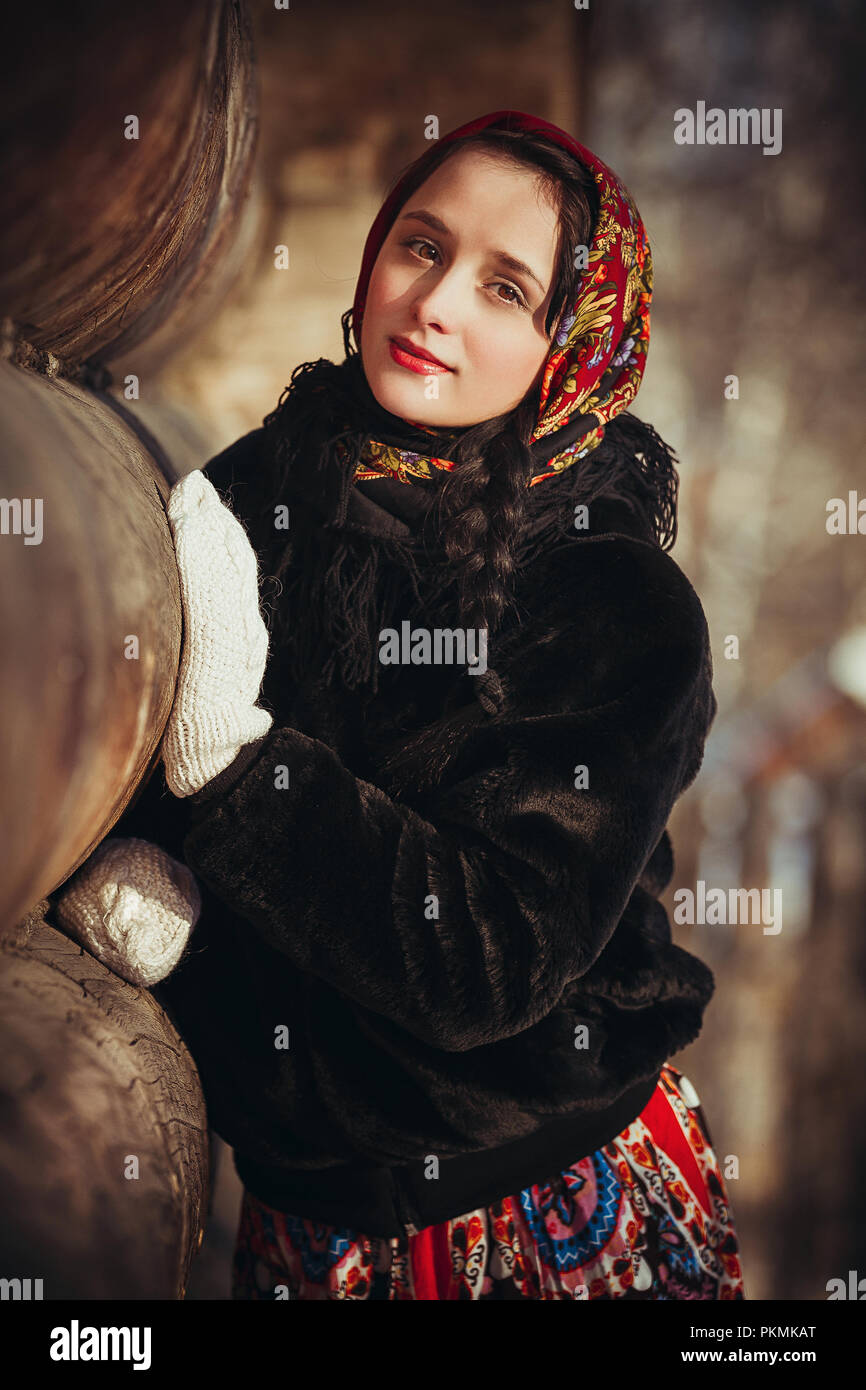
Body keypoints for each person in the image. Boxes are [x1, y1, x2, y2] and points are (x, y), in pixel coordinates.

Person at [55, 110, 745, 1300]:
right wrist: (186, 925)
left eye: (502, 286)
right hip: (305, 1217)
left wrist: (238, 775)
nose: (433, 304)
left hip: (537, 1201)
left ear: (565, 348)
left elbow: (486, 961)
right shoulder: (272, 479)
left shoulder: (610, 599)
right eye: (421, 246)